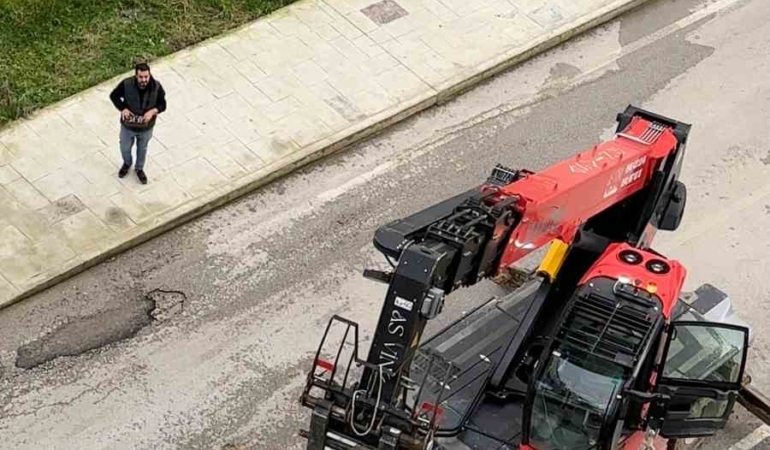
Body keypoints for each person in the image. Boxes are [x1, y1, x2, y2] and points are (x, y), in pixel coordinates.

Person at [109, 62, 167, 184]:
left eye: (146, 77)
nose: (144, 80)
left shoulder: (156, 87)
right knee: (124, 147)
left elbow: (163, 104)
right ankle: (127, 163)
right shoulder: (127, 84)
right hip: (128, 126)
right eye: (141, 77)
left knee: (142, 148)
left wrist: (152, 111)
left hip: (146, 127)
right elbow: (114, 95)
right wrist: (123, 108)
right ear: (136, 76)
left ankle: (139, 169)